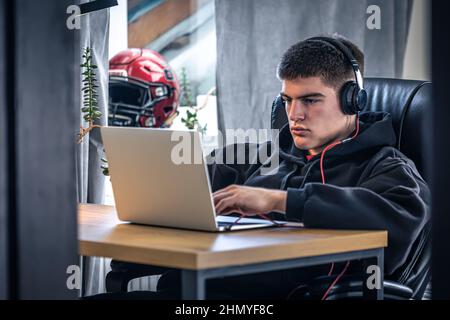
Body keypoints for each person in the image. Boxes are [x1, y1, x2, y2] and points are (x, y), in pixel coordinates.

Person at [101, 34, 430, 300]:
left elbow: (399, 215)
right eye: (287, 100)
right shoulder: (256, 157)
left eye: (310, 100)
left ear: (351, 101)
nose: (294, 114)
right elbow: (187, 188)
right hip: (194, 293)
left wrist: (280, 201)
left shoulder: (385, 167)